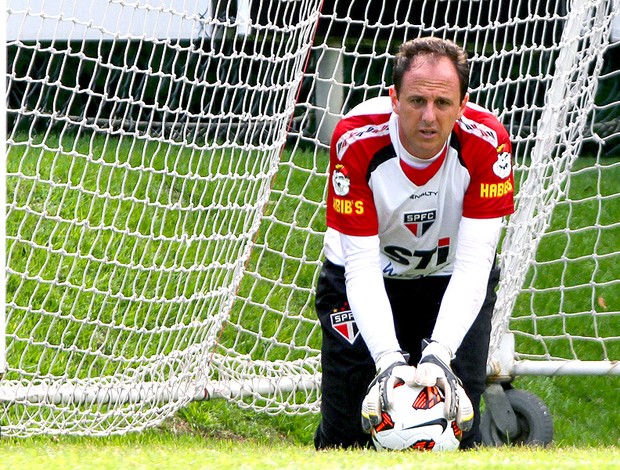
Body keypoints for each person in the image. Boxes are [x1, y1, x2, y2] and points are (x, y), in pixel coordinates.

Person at [313, 36, 515, 450]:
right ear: (394, 98)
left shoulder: (488, 142)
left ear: (462, 105)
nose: (428, 117)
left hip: (448, 280)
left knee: (458, 427)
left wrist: (439, 353)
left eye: (443, 105)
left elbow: (477, 264)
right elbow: (362, 267)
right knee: (347, 434)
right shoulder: (355, 138)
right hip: (363, 281)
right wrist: (388, 360)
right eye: (416, 101)